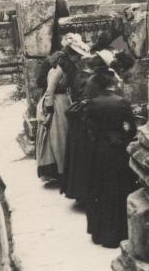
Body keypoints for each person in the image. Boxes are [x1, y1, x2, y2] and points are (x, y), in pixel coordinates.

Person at [83, 69, 138, 248]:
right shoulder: (122, 102)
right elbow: (132, 128)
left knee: (100, 189)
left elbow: (90, 131)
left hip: (99, 151)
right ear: (110, 84)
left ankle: (100, 233)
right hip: (118, 150)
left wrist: (101, 139)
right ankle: (120, 232)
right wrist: (122, 137)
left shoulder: (92, 104)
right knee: (120, 188)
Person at [62, 53, 108, 203]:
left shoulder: (81, 76)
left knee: (80, 158)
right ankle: (86, 194)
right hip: (84, 121)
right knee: (86, 158)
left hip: (80, 121)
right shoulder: (90, 80)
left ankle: (82, 193)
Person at [35, 51, 72, 182]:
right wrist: (50, 112)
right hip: (56, 105)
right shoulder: (56, 71)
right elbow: (49, 92)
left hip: (62, 102)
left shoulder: (60, 70)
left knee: (60, 138)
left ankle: (62, 168)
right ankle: (60, 170)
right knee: (57, 138)